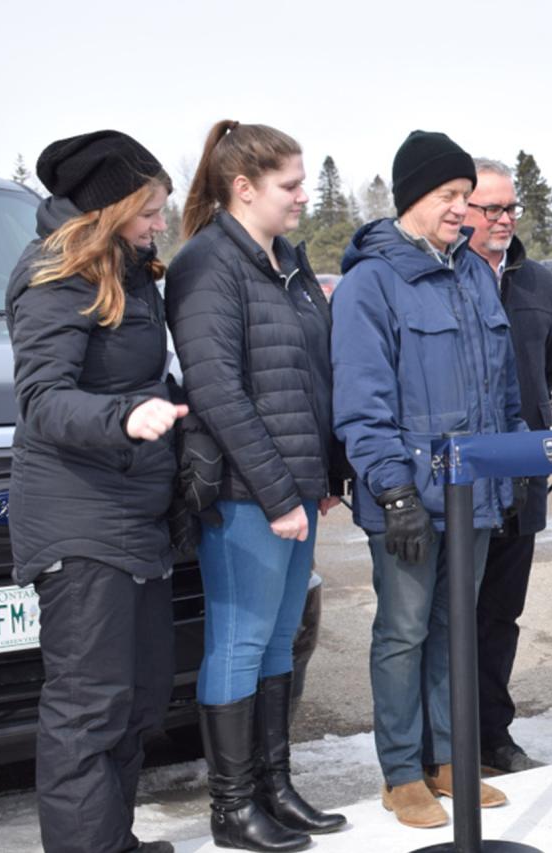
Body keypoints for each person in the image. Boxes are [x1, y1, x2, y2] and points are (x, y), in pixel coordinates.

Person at [332, 131, 527, 829]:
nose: (463, 211)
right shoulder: (369, 284)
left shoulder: (473, 273)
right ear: (414, 196)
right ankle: (401, 770)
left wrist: (511, 470)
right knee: (404, 631)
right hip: (411, 498)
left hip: (474, 492)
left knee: (456, 628)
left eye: (466, 198)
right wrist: (393, 493)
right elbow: (360, 403)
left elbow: (499, 387)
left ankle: (450, 757)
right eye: (450, 197)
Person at [166, 120, 347, 852]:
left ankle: (275, 785)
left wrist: (326, 473)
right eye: (290, 185)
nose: (304, 196)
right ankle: (232, 807)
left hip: (295, 485)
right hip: (245, 493)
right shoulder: (209, 264)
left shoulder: (287, 264)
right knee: (239, 641)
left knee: (278, 643)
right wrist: (277, 493)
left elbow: (313, 374)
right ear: (244, 188)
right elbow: (217, 390)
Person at [6, 130, 182, 853]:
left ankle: (115, 842)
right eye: (147, 210)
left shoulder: (127, 269)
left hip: (131, 511)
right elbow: (44, 399)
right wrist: (127, 416)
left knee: (135, 702)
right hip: (81, 519)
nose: (158, 223)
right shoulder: (57, 273)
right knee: (88, 708)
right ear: (108, 209)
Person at [463, 158, 552, 774]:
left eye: (510, 209)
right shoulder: (445, 276)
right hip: (465, 477)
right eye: (489, 209)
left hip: (521, 476)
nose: (503, 220)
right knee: (449, 617)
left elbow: (545, 371)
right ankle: (441, 744)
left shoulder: (538, 283)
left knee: (501, 614)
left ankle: (494, 734)